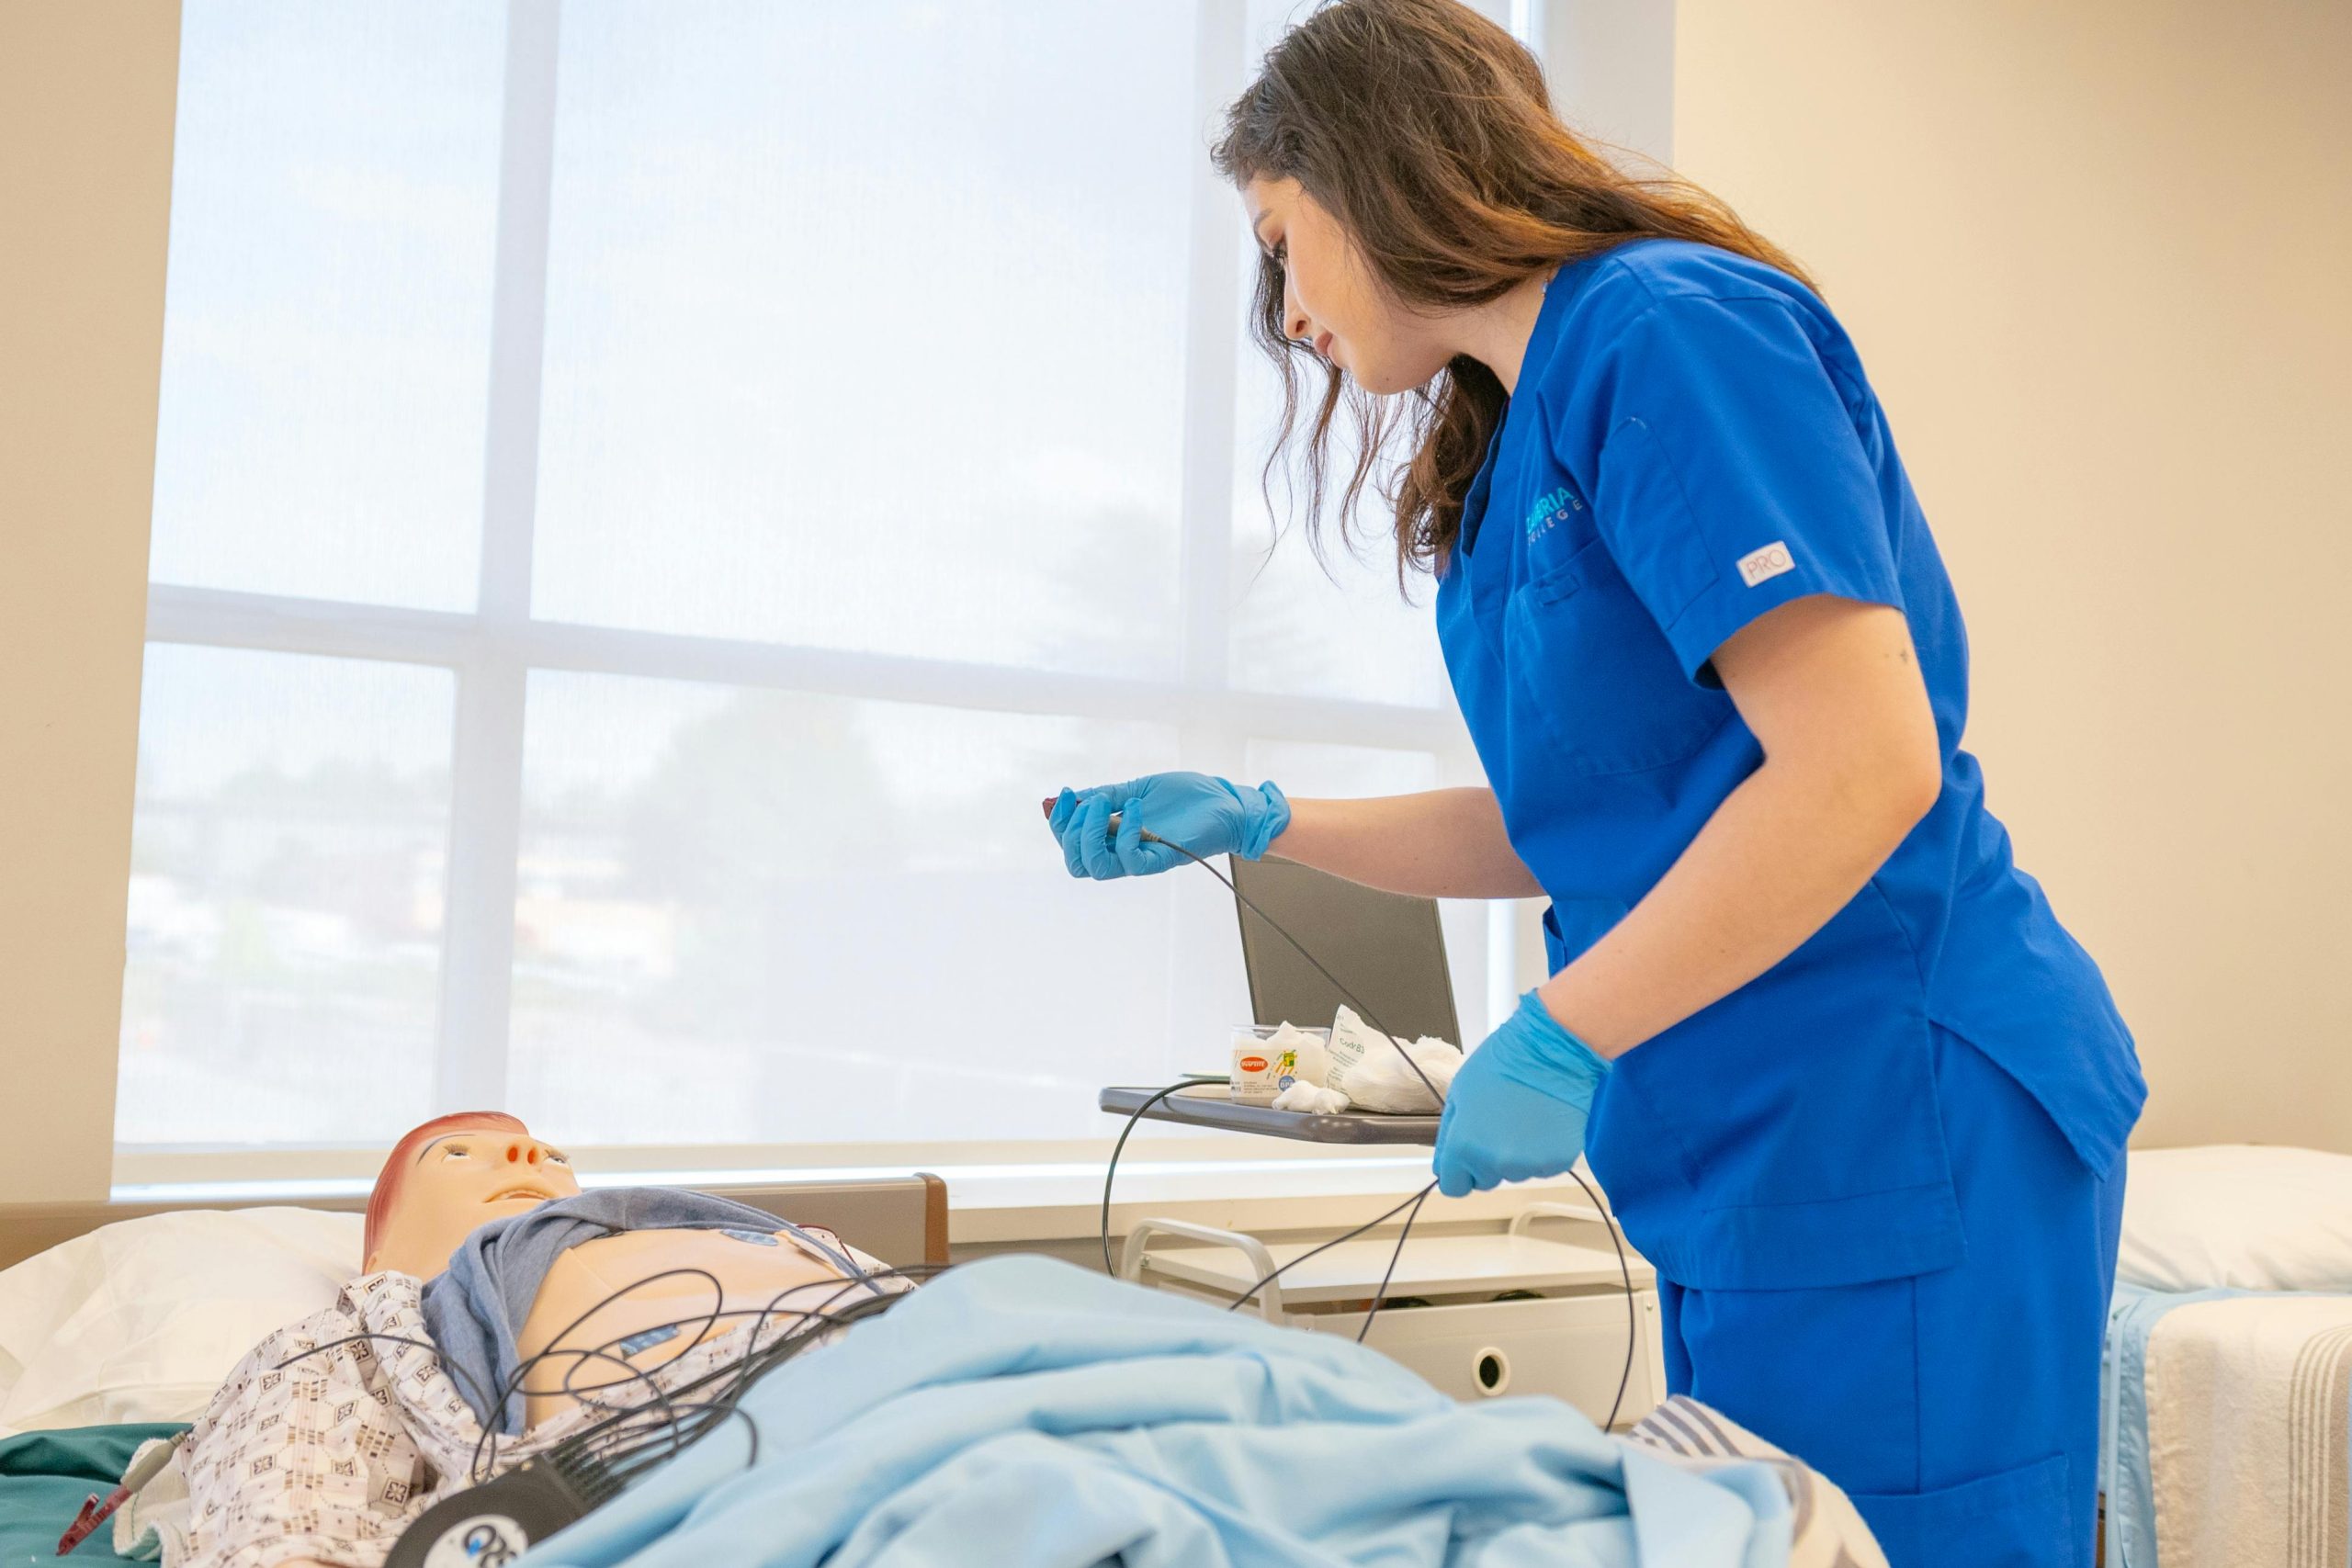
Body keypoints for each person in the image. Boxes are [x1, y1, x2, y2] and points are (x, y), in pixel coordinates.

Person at [1046, 3, 2144, 1564]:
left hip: (1897, 1115)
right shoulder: (1517, 449)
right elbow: (1594, 815)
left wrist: (1566, 1023)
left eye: (1283, 245)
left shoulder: (1667, 330)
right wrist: (1270, 822)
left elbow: (1864, 761)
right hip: (1745, 1155)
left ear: (1373, 172)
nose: (1281, 310)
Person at [139, 1113, 901, 1568]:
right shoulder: (370, 1324)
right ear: (378, 1252)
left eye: (553, 1153)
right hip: (710, 1468)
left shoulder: (753, 1231)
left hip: (926, 1381)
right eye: (458, 1154)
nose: (530, 1156)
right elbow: (292, 1497)